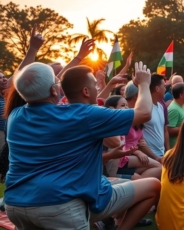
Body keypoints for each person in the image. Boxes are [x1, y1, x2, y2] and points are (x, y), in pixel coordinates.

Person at [4, 62, 160, 229]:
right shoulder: (83, 115)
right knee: (154, 185)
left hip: (16, 204)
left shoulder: (16, 115)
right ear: (54, 91)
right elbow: (144, 113)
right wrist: (144, 83)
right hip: (60, 205)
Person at [144, 74, 170, 157]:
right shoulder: (145, 107)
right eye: (164, 86)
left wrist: (168, 151)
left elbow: (165, 130)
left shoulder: (161, 106)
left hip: (161, 154)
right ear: (157, 89)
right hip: (149, 156)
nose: (165, 89)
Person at [167, 82, 184, 148]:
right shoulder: (174, 109)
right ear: (181, 95)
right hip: (175, 148)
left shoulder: (181, 105)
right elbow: (169, 130)